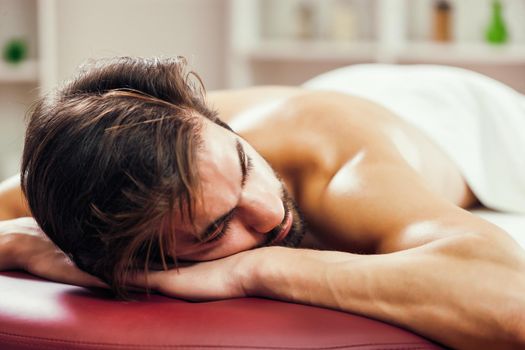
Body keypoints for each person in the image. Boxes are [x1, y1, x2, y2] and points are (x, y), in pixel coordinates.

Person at [0, 57, 524, 349]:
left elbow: (510, 304)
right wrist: (46, 252)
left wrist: (257, 269)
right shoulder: (77, 178)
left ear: (210, 119)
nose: (270, 213)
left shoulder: (344, 174)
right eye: (215, 229)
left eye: (246, 166)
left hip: (479, 118)